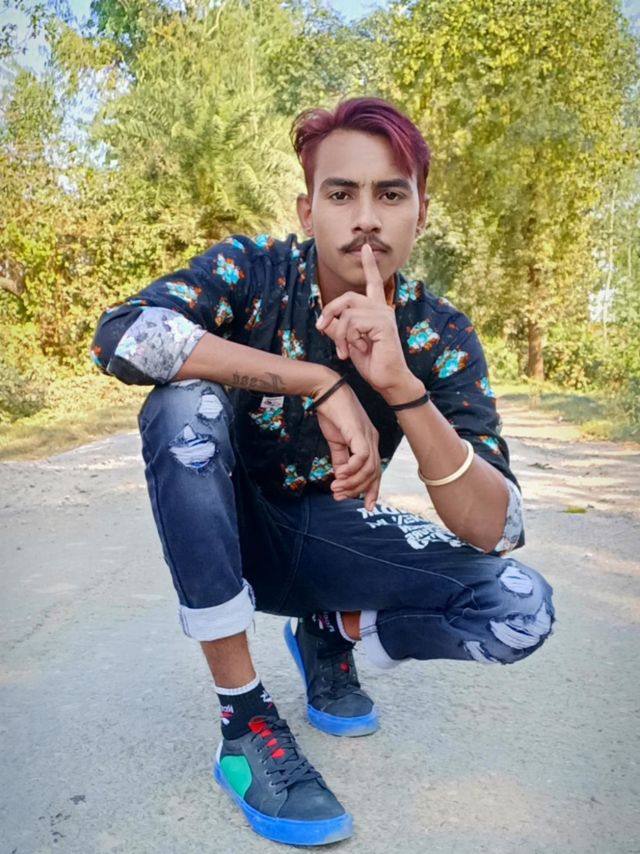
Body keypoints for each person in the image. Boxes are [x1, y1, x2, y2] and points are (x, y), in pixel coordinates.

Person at [91, 97, 554, 847]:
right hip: (232, 530)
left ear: (421, 214)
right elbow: (123, 335)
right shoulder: (254, 271)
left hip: (333, 537)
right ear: (308, 210)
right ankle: (243, 722)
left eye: (391, 194)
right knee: (181, 406)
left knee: (521, 609)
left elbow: (498, 528)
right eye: (342, 194)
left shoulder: (440, 333)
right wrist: (317, 380)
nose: (366, 219)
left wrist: (402, 387)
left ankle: (331, 632)